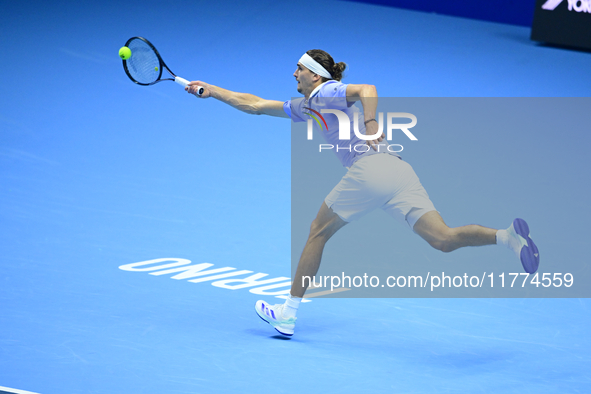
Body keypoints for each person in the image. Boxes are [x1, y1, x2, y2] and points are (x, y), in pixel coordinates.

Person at [185, 49, 540, 337]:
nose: (293, 73)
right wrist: (212, 90)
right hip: (397, 170)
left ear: (315, 75)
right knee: (443, 239)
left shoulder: (326, 92)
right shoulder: (310, 105)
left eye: (298, 69)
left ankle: (288, 315)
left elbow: (366, 89)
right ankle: (508, 238)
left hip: (369, 169)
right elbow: (255, 104)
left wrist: (371, 123)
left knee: (317, 232)